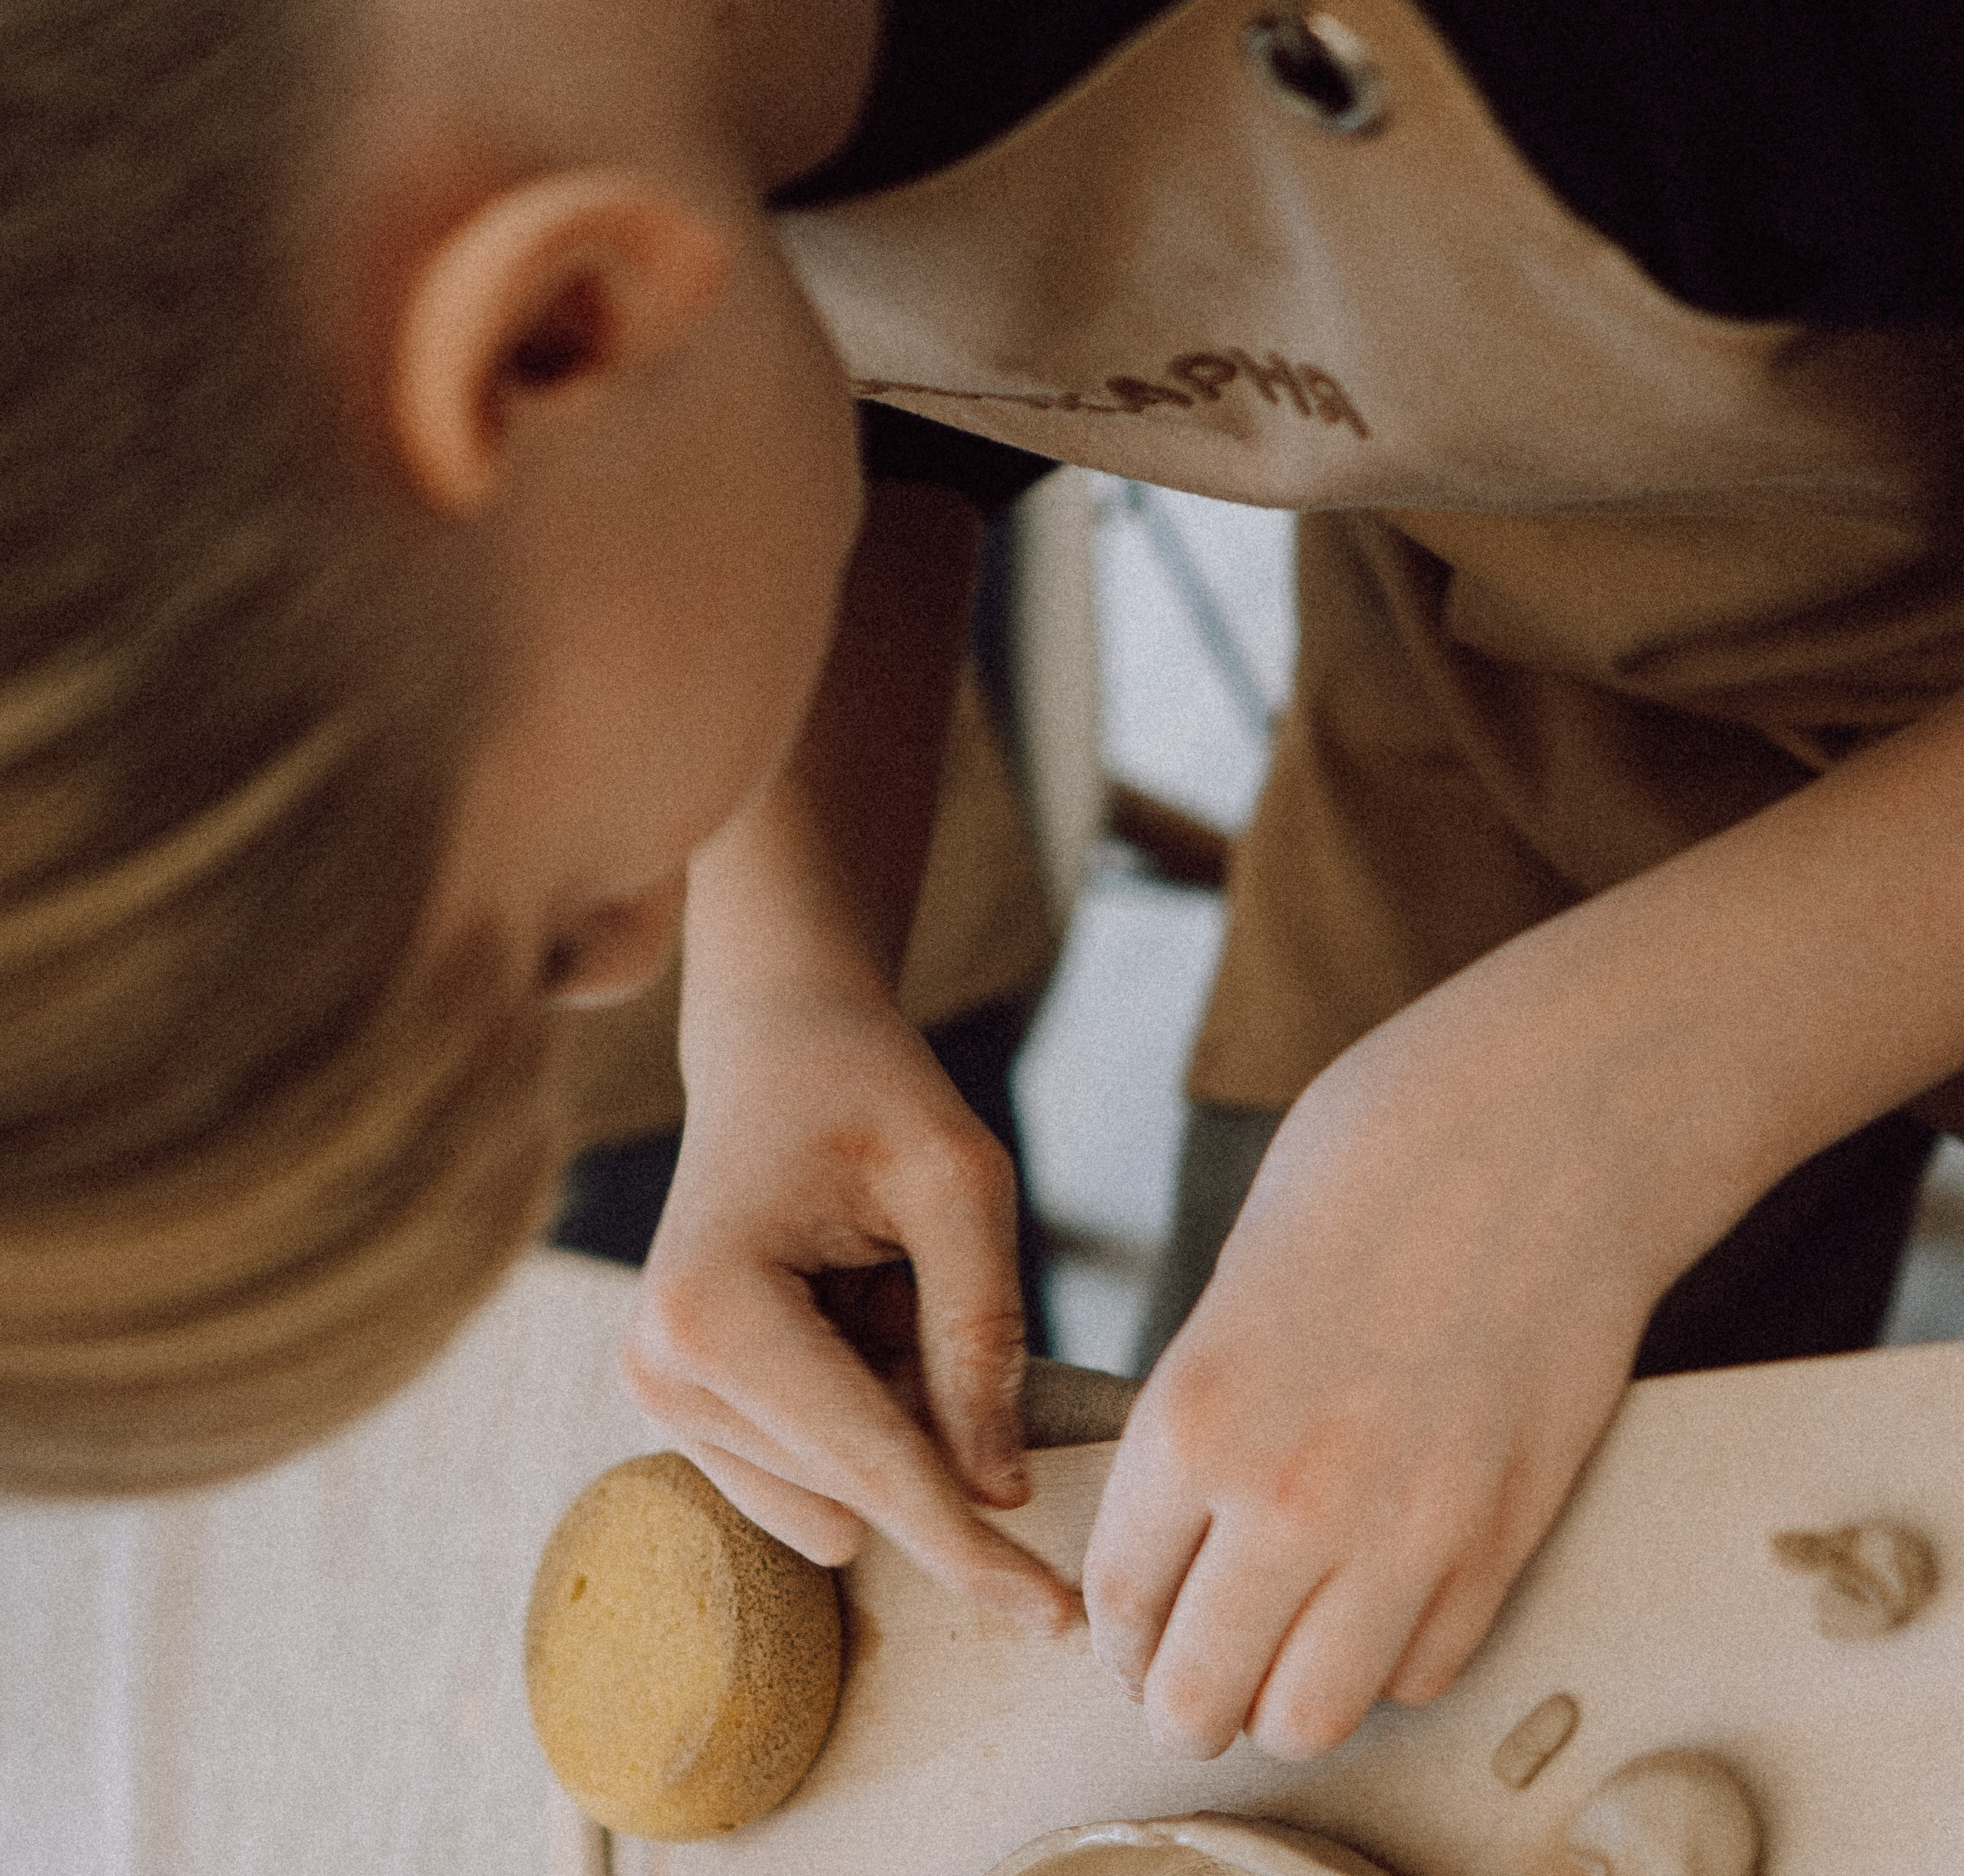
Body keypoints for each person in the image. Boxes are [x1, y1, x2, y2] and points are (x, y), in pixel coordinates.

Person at [8, 0, 1964, 1758]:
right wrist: (787, 979)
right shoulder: (577, 84)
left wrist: (1619, 1090)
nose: (625, 963)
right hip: (1521, 639)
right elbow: (829, 363)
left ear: (548, 327)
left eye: (545, 933)